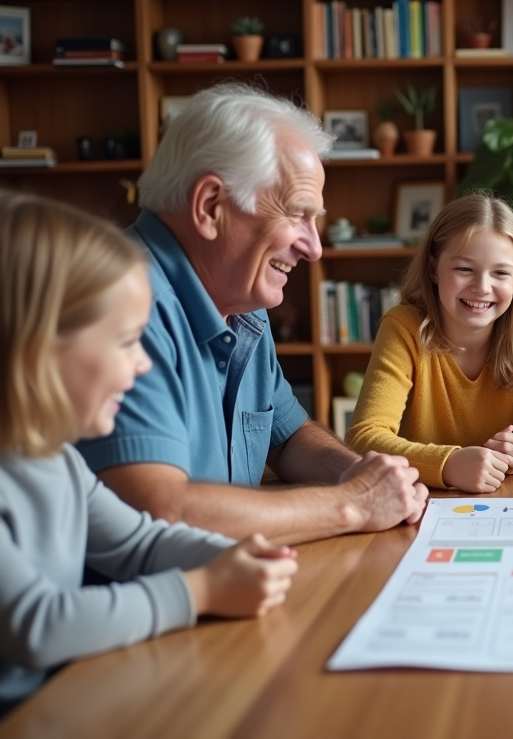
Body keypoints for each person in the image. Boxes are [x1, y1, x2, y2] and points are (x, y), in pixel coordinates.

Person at [76, 83, 428, 545]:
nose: (315, 247)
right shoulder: (123, 305)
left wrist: (364, 475)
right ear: (210, 206)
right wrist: (356, 503)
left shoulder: (240, 300)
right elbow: (160, 510)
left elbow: (287, 436)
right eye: (298, 215)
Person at [0, 192, 298, 717]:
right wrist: (203, 590)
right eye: (125, 342)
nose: (142, 366)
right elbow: (39, 625)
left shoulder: (60, 462)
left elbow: (139, 542)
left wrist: (228, 556)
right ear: (38, 349)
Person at [347, 194, 513, 493]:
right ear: (433, 269)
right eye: (464, 269)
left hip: (498, 497)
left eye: (500, 273)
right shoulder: (403, 327)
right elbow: (364, 436)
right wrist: (448, 464)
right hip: (418, 497)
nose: (482, 287)